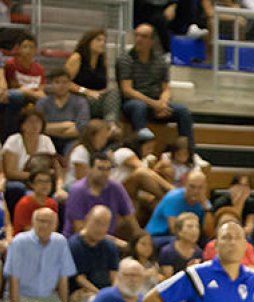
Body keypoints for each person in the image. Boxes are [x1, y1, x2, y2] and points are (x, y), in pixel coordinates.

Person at [5, 208, 75, 302]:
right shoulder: (19, 241)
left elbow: (63, 277)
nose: (44, 225)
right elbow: (13, 278)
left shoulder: (60, 242)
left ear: (55, 224)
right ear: (33, 222)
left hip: (49, 296)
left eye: (48, 222)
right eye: (40, 221)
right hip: (24, 296)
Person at [118, 24, 194, 152]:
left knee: (183, 111)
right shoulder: (125, 59)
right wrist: (154, 104)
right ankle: (141, 150)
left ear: (152, 41)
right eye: (136, 35)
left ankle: (189, 153)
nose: (138, 39)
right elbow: (127, 90)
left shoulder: (160, 60)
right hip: (132, 103)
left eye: (143, 36)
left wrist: (163, 103)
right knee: (139, 107)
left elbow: (166, 88)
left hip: (156, 102)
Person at [68, 205, 120, 302]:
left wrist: (113, 294)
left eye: (105, 225)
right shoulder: (74, 245)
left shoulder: (110, 246)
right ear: (87, 219)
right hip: (82, 292)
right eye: (97, 222)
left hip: (106, 291)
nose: (100, 228)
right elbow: (80, 279)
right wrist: (102, 295)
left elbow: (114, 275)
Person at [65, 28, 120, 125]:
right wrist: (86, 91)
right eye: (98, 40)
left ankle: (110, 124)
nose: (102, 43)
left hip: (96, 97)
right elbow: (65, 83)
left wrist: (101, 92)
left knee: (114, 92)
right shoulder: (77, 58)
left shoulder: (103, 61)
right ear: (88, 41)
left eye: (104, 41)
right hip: (78, 97)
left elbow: (104, 85)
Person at [146, 171, 209, 249]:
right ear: (185, 185)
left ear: (205, 188)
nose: (196, 191)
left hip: (187, 235)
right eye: (192, 187)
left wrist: (207, 208)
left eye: (200, 188)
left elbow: (208, 231)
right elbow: (174, 230)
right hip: (158, 236)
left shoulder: (205, 203)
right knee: (181, 242)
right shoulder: (173, 198)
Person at [35, 69, 89, 155]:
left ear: (70, 84)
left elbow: (80, 129)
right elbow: (38, 128)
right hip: (47, 139)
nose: (61, 86)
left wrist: (49, 128)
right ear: (51, 84)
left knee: (78, 150)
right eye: (57, 82)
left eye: (65, 82)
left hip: (72, 141)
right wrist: (66, 125)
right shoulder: (42, 102)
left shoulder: (80, 102)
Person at [12, 169, 56, 235]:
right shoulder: (24, 203)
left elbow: (54, 226)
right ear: (32, 185)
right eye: (40, 181)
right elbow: (25, 229)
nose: (44, 185)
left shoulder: (52, 203)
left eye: (48, 181)